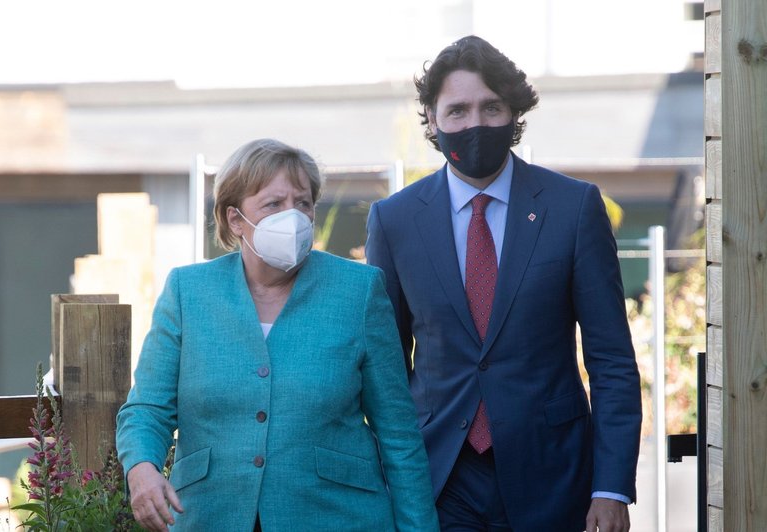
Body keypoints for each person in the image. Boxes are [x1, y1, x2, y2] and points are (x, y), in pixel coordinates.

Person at [366, 36, 642, 531]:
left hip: (555, 475)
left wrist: (611, 486)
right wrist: (390, 480)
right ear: (432, 119)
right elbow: (384, 368)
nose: (474, 124)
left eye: (491, 107)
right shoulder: (394, 220)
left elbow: (612, 361)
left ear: (514, 111)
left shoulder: (573, 208)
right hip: (438, 480)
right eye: (458, 110)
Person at [117, 138, 440, 532]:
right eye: (274, 204)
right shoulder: (188, 291)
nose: (294, 216)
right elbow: (148, 407)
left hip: (337, 516)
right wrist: (141, 468)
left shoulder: (359, 289)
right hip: (210, 515)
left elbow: (398, 433)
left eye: (303, 203)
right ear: (235, 219)